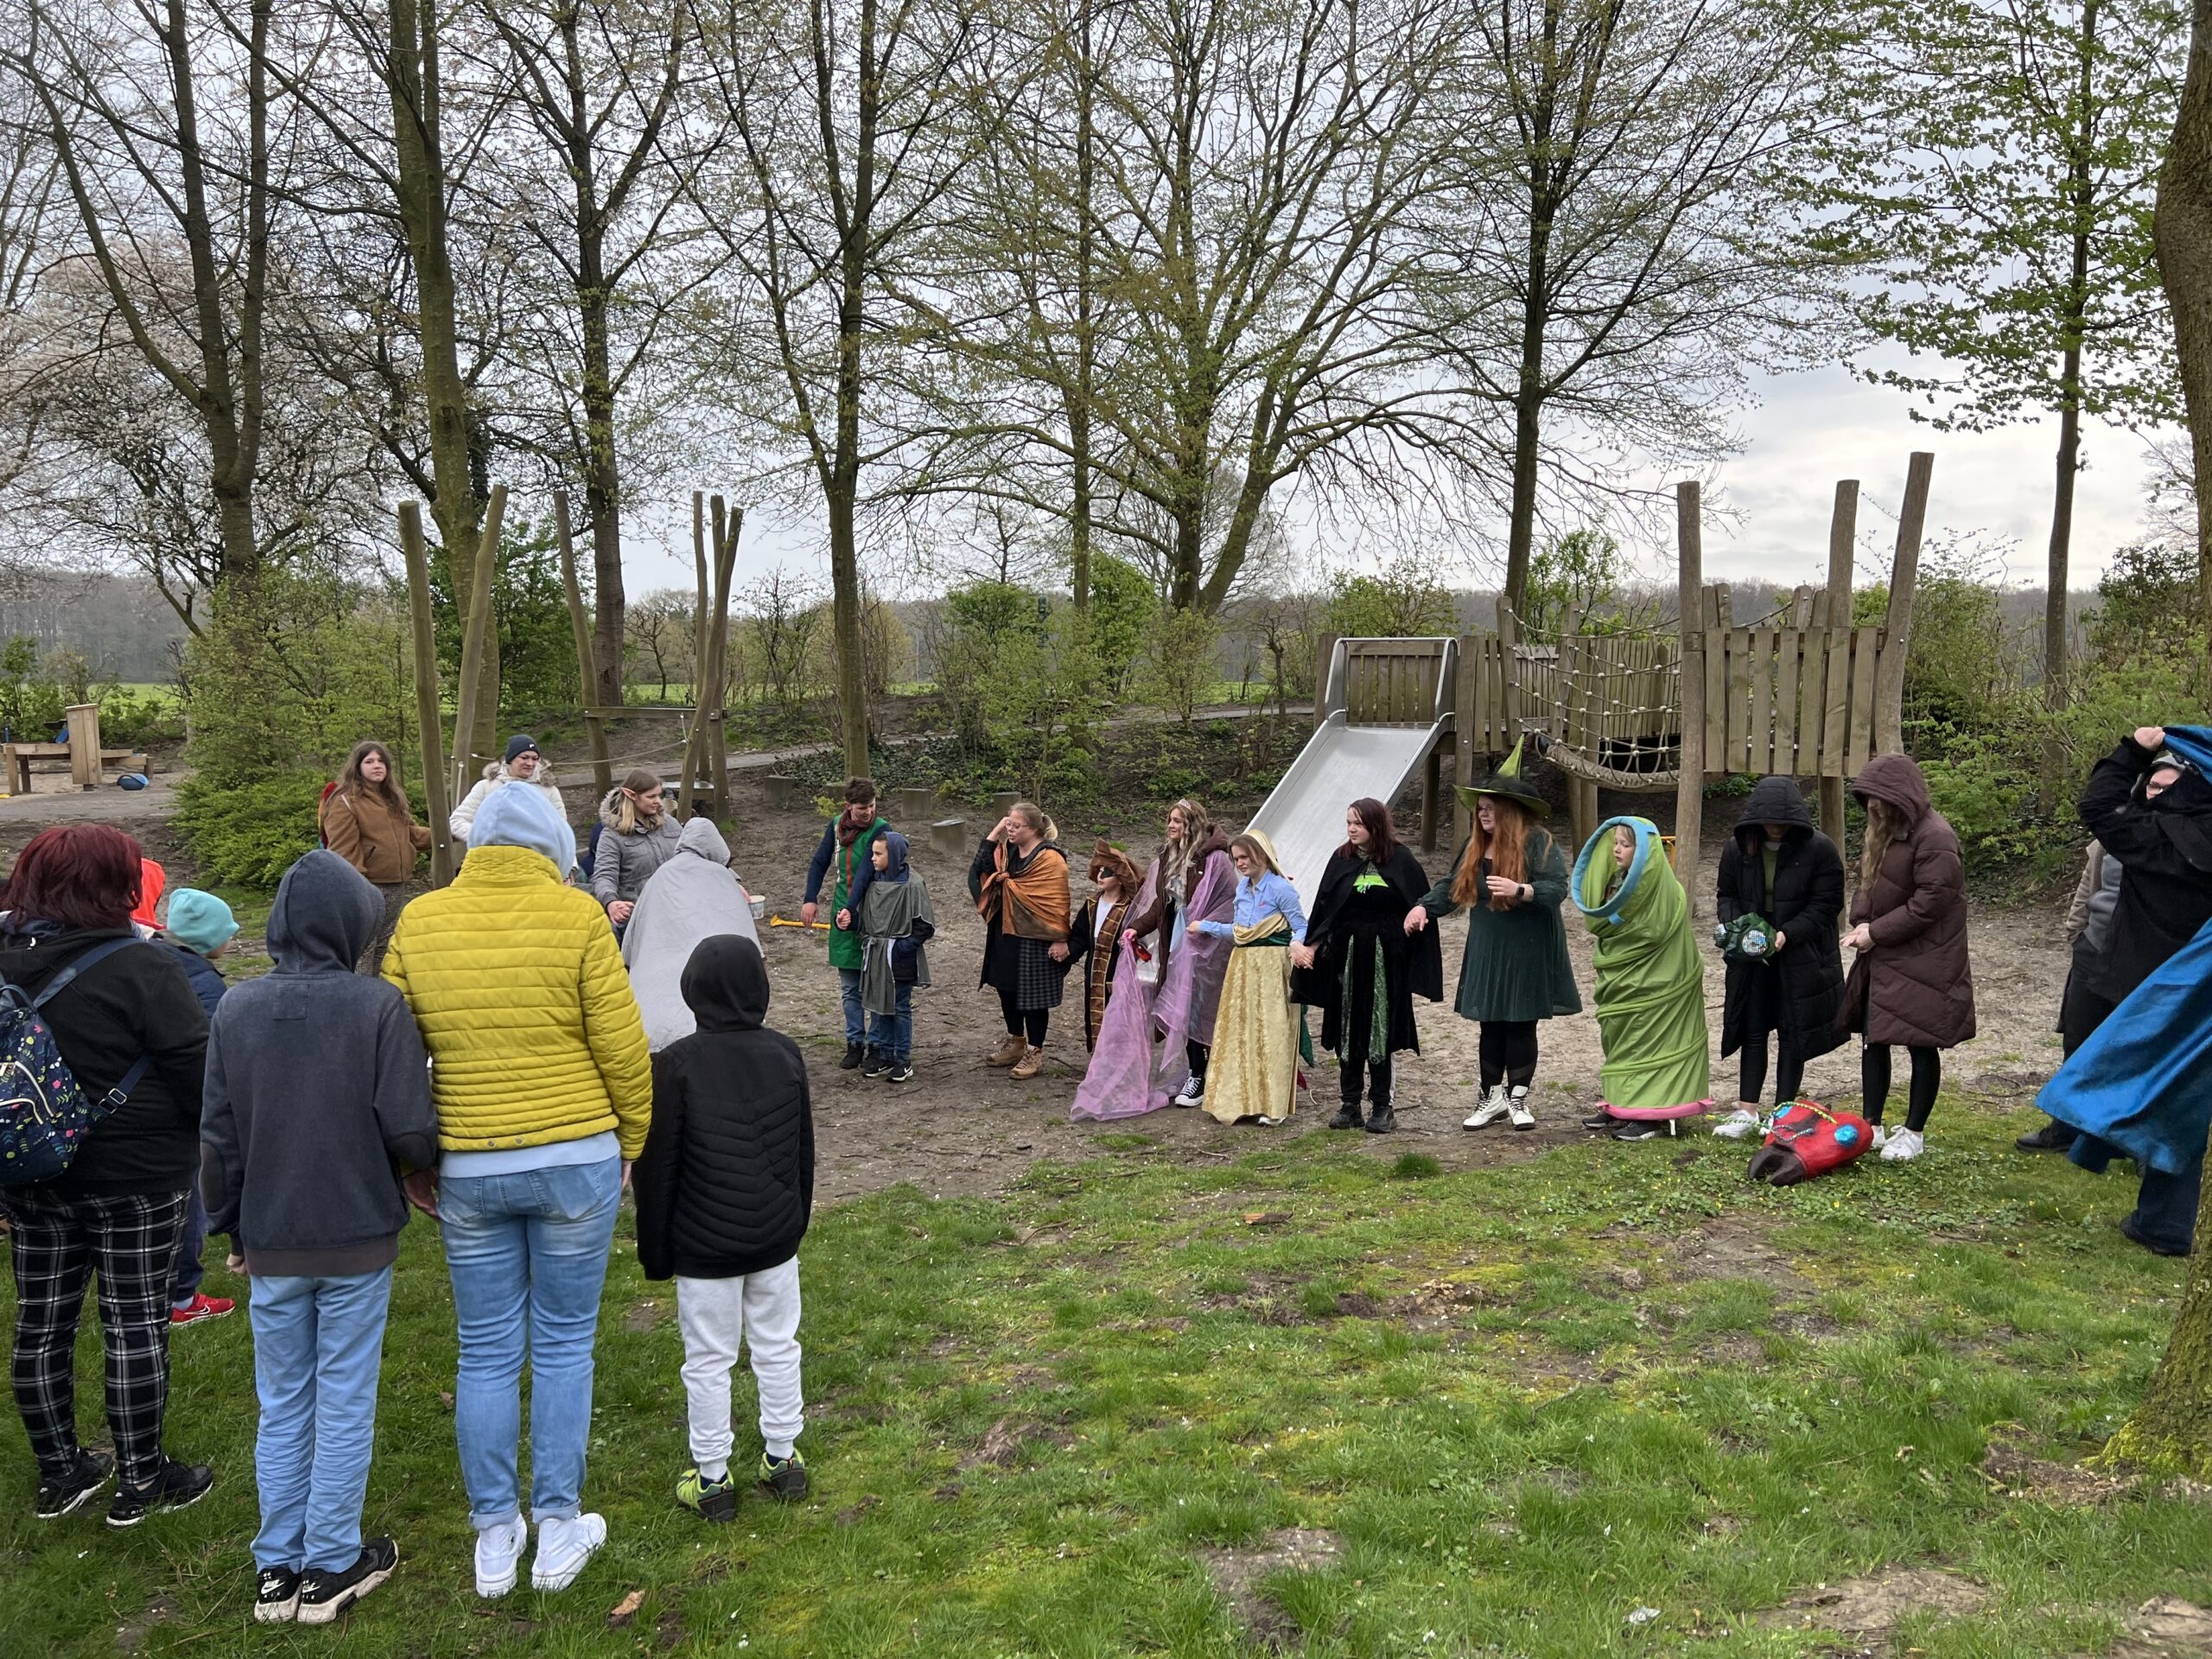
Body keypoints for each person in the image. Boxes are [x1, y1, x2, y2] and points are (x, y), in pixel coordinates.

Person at [383, 781, 652, 1599]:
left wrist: (412, 1161)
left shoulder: (420, 922)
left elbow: (391, 1063)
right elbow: (623, 1048)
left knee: (486, 1350)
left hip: (470, 1164)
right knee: (566, 1342)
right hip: (576, 1157)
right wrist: (631, 1141)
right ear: (554, 847)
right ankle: (559, 1524)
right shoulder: (576, 918)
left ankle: (497, 1532)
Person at [199, 851, 436, 1624]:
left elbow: (217, 1138)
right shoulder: (376, 1006)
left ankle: (278, 1568)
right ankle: (329, 1562)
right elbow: (408, 1124)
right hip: (355, 1234)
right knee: (341, 1397)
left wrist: (231, 1225)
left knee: (283, 1399)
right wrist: (421, 1164)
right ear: (350, 926)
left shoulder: (234, 1008)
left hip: (271, 1236)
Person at [0, 825, 214, 1525]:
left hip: (31, 1168)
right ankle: (143, 1481)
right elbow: (198, 1073)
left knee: (41, 1324)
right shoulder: (144, 966)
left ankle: (60, 1472)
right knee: (134, 1326)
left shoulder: (5, 959)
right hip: (138, 1174)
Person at [633, 936, 813, 1522]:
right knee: (778, 1344)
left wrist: (657, 1249)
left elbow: (655, 1171)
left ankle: (713, 1478)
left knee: (708, 1359)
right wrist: (794, 1221)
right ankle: (783, 1458)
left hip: (704, 1245)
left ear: (694, 992)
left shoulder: (674, 1065)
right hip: (773, 1237)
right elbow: (802, 1157)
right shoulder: (786, 1054)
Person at [2044, 728, 2212, 1253]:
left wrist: (2133, 750)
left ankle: (2163, 1223)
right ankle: (2163, 1221)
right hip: (2193, 982)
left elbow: (2098, 804)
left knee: (2167, 1095)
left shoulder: (2157, 838)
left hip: (2165, 989)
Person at [1404, 740, 1580, 1130]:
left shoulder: (1539, 843)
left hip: (1527, 947)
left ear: (1509, 810)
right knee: (1490, 1023)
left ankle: (1518, 1099)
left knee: (1520, 1022)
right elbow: (1452, 886)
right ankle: (1490, 1097)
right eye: (1480, 808)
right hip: (1488, 946)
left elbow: (1557, 889)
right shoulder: (1474, 846)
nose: (1482, 814)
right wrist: (1422, 908)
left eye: (1489, 808)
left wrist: (1523, 890)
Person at [1841, 753, 1975, 1163]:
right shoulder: (1880, 832)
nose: (1873, 807)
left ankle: (1914, 1131)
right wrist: (1861, 921)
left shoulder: (1935, 836)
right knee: (1873, 1039)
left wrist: (1877, 932)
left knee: (1921, 1045)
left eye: (1879, 798)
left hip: (1926, 958)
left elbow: (1933, 899)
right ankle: (1873, 1125)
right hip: (1882, 956)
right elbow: (1868, 886)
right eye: (1868, 799)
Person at [1290, 799, 1440, 1135]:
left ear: (1376, 825)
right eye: (1348, 823)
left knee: (1379, 1030)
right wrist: (1312, 945)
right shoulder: (1342, 859)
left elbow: (1420, 905)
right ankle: (1349, 1104)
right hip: (1347, 960)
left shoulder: (1400, 860)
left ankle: (1382, 1106)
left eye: (1358, 823)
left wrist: (1411, 930)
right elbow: (1325, 910)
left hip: (1385, 961)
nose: (1351, 829)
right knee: (1348, 1029)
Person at [1711, 777, 1847, 1139]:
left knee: (1792, 1032)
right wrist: (1737, 928)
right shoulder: (1737, 849)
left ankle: (1784, 1111)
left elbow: (1828, 903)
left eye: (1781, 820)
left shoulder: (1820, 849)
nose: (1774, 826)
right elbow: (1726, 894)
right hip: (1753, 955)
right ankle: (1747, 1111)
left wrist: (1790, 933)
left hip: (1799, 955)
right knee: (1753, 1028)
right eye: (1767, 819)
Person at [1571, 818, 1711, 1141]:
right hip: (1623, 980)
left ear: (1645, 851)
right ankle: (1621, 1102)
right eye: (1616, 842)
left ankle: (1652, 1115)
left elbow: (1653, 930)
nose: (1617, 849)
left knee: (1652, 1037)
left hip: (1658, 982)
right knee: (1621, 1036)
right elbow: (1608, 922)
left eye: (1626, 844)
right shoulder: (1616, 881)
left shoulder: (1663, 890)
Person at [1120, 800, 1235, 1108]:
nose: (1170, 825)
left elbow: (1228, 902)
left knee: (1198, 1006)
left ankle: (1200, 1073)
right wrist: (1137, 928)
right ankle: (1196, 1070)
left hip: (1205, 944)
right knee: (1181, 1006)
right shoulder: (1169, 856)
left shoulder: (1216, 859)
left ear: (1192, 824)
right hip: (1177, 940)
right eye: (1169, 820)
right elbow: (1162, 903)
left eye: (1178, 821)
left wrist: (1204, 931)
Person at [160, 888, 240, 1328]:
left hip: (142, 1104)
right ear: (210, 940)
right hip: (186, 1105)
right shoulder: (207, 983)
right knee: (192, 1198)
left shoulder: (152, 959)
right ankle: (181, 1296)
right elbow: (209, 1053)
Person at [1192, 831, 1307, 1127]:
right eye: (1236, 858)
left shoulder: (1281, 889)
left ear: (1262, 855)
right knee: (1242, 1031)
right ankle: (1242, 1099)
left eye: (1245, 857)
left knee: (1273, 1031)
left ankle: (1273, 1103)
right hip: (1243, 966)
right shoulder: (1243, 890)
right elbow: (1240, 931)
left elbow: (1301, 927)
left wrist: (1297, 948)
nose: (1240, 863)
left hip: (1272, 966)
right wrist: (1207, 927)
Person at [2018, 837, 2124, 1152]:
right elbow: (2088, 887)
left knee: (2136, 1052)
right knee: (2077, 1044)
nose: (2154, 791)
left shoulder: (2181, 836)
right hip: (2093, 951)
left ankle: (2135, 1144)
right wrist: (2078, 935)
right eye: (2151, 785)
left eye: (2163, 786)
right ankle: (2065, 1129)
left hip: (2146, 961)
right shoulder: (2116, 833)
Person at [622, 817, 759, 1052]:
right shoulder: (722, 877)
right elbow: (747, 946)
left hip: (656, 1013)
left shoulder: (660, 877)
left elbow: (630, 946)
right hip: (719, 1018)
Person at [970, 802, 1071, 1081]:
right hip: (1005, 932)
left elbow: (1058, 903)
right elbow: (979, 865)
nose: (1010, 830)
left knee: (1033, 999)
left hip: (1036, 937)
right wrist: (996, 832)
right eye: (1008, 824)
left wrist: (1061, 939)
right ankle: (1016, 1042)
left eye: (1015, 826)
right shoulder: (1008, 852)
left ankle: (1034, 1052)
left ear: (1034, 829)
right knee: (1006, 990)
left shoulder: (1050, 859)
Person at [318, 740, 433, 974]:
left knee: (386, 942)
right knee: (364, 946)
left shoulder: (392, 798)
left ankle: (379, 995)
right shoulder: (345, 801)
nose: (376, 766)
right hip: (367, 886)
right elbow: (343, 851)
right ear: (357, 766)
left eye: (381, 761)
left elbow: (413, 835)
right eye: (369, 761)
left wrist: (453, 832)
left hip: (396, 884)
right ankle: (360, 997)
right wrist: (358, 888)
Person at [801, 779, 887, 1069]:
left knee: (874, 983)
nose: (869, 812)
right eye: (863, 808)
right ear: (848, 806)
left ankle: (876, 1044)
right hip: (842, 910)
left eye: (872, 806)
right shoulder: (837, 826)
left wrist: (852, 909)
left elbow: (865, 873)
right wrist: (810, 899)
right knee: (850, 986)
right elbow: (819, 862)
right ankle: (854, 1042)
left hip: (872, 911)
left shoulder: (882, 829)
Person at [857, 830, 932, 1084]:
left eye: (879, 854)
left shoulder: (913, 884)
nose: (873, 859)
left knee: (899, 1007)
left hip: (898, 958)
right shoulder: (872, 882)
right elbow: (866, 917)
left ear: (895, 854)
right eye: (872, 853)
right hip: (876, 955)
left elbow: (924, 925)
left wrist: (901, 948)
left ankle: (903, 1059)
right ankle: (885, 1054)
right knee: (880, 1006)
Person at [1061, 842, 1142, 1053]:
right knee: (1095, 1012)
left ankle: (1119, 1062)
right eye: (1099, 870)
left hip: (1119, 971)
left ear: (1121, 878)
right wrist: (1067, 952)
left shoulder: (1129, 908)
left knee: (1120, 1017)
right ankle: (1099, 1060)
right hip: (1094, 968)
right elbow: (1080, 936)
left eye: (1108, 872)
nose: (1101, 875)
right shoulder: (1092, 904)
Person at [593, 769, 683, 934]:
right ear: (631, 795)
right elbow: (604, 875)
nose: (658, 801)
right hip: (640, 918)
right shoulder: (612, 835)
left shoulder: (670, 824)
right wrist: (610, 902)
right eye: (651, 797)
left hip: (679, 908)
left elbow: (695, 855)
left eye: (659, 795)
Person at [449, 734, 563, 842]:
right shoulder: (485, 787)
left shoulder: (549, 790)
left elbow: (561, 828)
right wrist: (486, 837)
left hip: (536, 855)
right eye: (524, 758)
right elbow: (457, 821)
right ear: (510, 759)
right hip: (491, 855)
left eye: (535, 759)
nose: (530, 763)